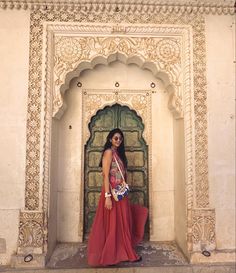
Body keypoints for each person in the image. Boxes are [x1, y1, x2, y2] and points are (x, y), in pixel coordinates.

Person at [87, 128, 148, 266]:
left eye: (120, 138)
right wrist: (107, 196)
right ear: (110, 139)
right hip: (112, 194)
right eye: (115, 138)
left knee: (123, 222)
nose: (118, 141)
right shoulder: (108, 152)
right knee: (113, 223)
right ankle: (112, 253)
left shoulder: (118, 154)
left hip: (120, 194)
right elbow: (105, 175)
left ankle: (123, 251)